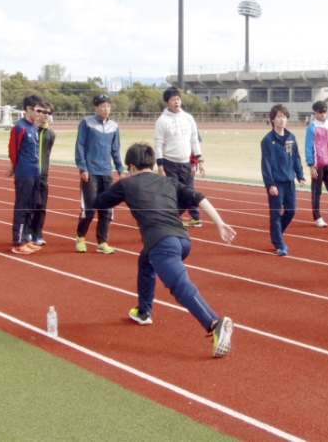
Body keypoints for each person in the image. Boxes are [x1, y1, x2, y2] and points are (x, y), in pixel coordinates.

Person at [92, 143, 236, 358]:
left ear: (131, 165)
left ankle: (214, 322)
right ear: (151, 163)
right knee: (145, 261)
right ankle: (143, 311)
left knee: (179, 286)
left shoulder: (127, 184)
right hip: (182, 240)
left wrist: (91, 189)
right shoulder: (169, 181)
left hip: (163, 244)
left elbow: (99, 202)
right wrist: (219, 223)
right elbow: (199, 197)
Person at [75, 94, 127, 254]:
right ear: (95, 107)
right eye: (103, 106)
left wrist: (120, 168)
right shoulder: (86, 123)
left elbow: (115, 148)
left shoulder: (114, 126)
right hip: (90, 172)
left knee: (106, 209)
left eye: (108, 106)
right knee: (89, 208)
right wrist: (83, 168)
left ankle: (102, 241)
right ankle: (81, 236)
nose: (106, 109)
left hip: (106, 173)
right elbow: (80, 145)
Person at [154, 87, 204, 227]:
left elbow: (194, 140)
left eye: (178, 99)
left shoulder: (188, 118)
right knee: (172, 194)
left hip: (186, 163)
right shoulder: (162, 121)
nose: (176, 102)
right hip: (170, 163)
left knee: (188, 194)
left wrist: (199, 160)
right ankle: (172, 220)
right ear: (166, 102)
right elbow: (158, 144)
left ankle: (173, 217)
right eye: (173, 99)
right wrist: (160, 166)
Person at [261, 104, 306, 256]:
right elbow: (265, 164)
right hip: (276, 183)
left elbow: (296, 157)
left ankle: (275, 235)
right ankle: (279, 243)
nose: (282, 120)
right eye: (279, 117)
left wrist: (300, 175)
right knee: (275, 213)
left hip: (289, 182)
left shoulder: (291, 138)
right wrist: (270, 184)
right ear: (272, 119)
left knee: (291, 210)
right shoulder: (267, 140)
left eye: (284, 116)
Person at [6, 95, 45, 255]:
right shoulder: (19, 127)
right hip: (24, 173)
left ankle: (26, 238)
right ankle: (18, 242)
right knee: (22, 207)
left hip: (35, 172)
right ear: (28, 109)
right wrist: (16, 165)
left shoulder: (34, 127)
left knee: (31, 206)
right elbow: (13, 150)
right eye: (38, 110)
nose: (40, 113)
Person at [29, 101, 56, 246]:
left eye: (49, 113)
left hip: (43, 175)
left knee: (41, 205)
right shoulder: (30, 130)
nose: (46, 116)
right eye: (44, 112)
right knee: (29, 205)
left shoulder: (50, 134)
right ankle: (25, 233)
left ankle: (37, 234)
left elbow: (47, 153)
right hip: (29, 174)